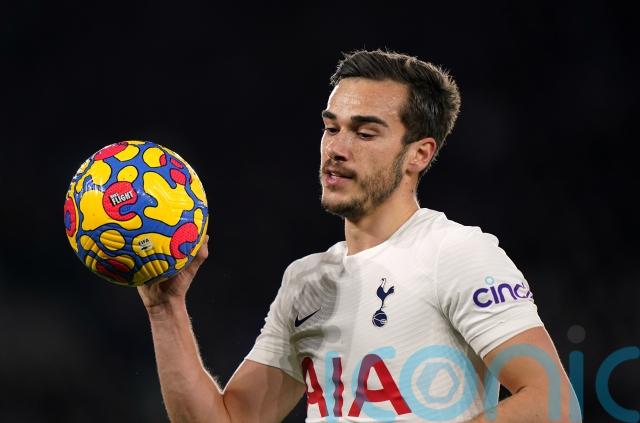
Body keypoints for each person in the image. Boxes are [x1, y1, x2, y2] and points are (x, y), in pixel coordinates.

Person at [138, 50, 580, 422]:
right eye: (332, 128)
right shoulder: (306, 281)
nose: (336, 149)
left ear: (419, 154)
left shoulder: (455, 252)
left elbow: (554, 404)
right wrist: (165, 309)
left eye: (365, 133)